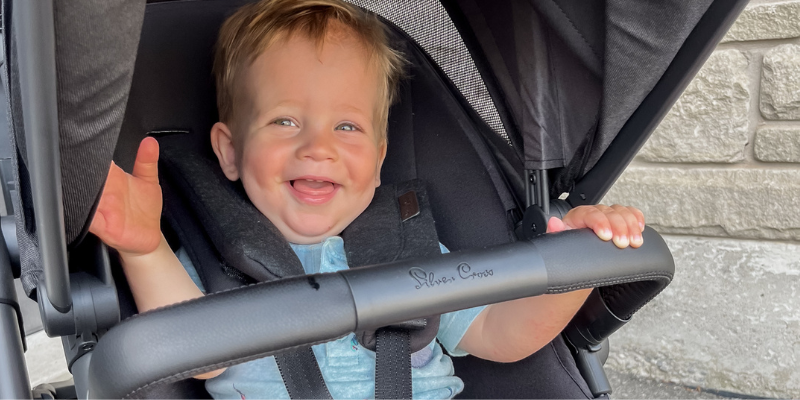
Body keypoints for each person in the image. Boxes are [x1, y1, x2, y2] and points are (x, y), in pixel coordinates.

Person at [88, 0, 646, 398]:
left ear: (380, 159)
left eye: (347, 128)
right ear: (229, 152)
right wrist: (145, 250)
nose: (318, 147)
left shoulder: (414, 249)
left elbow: (500, 335)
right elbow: (194, 357)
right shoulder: (218, 259)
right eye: (285, 121)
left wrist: (577, 262)